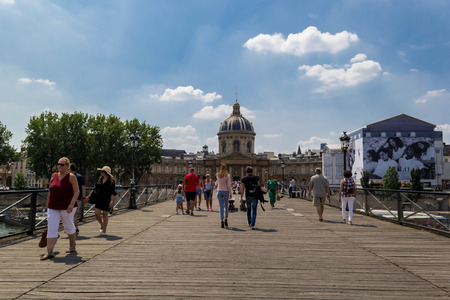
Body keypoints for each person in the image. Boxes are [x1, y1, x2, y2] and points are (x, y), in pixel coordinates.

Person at [40, 157, 80, 260]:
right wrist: (47, 203)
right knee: (52, 227)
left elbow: (77, 192)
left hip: (67, 207)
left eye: (61, 165)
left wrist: (71, 204)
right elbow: (50, 190)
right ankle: (49, 252)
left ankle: (72, 246)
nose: (59, 166)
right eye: (58, 164)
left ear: (67, 166)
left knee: (68, 226)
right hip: (53, 206)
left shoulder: (71, 177)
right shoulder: (54, 176)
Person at [86, 166, 117, 236]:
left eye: (102, 171)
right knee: (96, 213)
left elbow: (112, 192)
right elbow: (94, 188)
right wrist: (88, 196)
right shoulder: (99, 179)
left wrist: (111, 202)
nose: (101, 172)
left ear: (106, 173)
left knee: (105, 214)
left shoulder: (111, 181)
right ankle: (102, 224)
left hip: (107, 199)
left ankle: (104, 231)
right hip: (99, 198)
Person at [69, 163, 86, 235]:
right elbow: (83, 187)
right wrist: (83, 196)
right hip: (77, 197)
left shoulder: (68, 176)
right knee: (74, 214)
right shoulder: (79, 176)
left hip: (70, 197)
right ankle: (75, 228)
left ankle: (74, 228)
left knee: (71, 214)